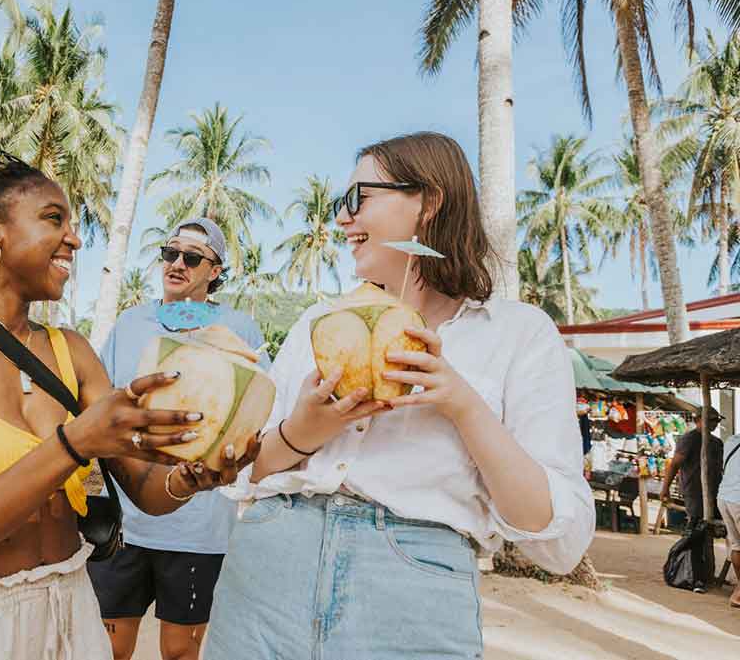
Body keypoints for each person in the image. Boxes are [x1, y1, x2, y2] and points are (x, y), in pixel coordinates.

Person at [203, 132, 596, 660]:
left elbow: (555, 540)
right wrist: (306, 429)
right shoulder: (319, 321)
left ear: (429, 201)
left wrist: (460, 402)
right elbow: (253, 471)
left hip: (413, 588)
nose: (342, 219)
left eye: (358, 199)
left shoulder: (520, 333)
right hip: (270, 562)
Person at [0, 155, 259, 660]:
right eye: (54, 219)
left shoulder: (71, 349)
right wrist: (75, 443)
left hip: (71, 609)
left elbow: (146, 491)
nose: (74, 238)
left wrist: (190, 478)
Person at [90, 217, 268, 660]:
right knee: (108, 647)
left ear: (215, 271)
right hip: (126, 521)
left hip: (198, 527)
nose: (177, 263)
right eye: (170, 253)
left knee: (179, 652)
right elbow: (102, 407)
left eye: (192, 257)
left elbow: (256, 413)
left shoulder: (239, 330)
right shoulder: (131, 323)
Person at [661, 416, 724, 526]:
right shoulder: (689, 439)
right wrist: (665, 488)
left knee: (713, 526)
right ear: (698, 420)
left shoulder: (717, 442)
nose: (714, 423)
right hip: (694, 491)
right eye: (711, 420)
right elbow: (674, 464)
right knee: (696, 526)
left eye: (716, 421)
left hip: (715, 491)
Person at [719, 430, 740, 608]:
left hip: (724, 498)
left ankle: (739, 592)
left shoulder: (732, 441)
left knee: (737, 545)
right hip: (739, 499)